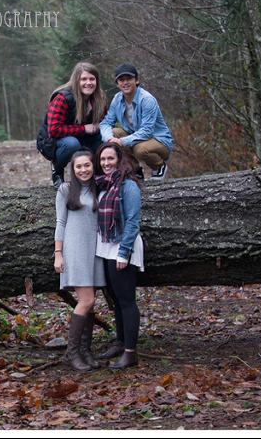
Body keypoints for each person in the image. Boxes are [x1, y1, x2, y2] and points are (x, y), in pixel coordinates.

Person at [93, 142, 144, 369]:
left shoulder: (128, 185)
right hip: (107, 246)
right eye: (102, 159)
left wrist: (124, 253)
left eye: (110, 159)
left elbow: (133, 221)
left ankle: (131, 353)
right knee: (115, 299)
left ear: (119, 159)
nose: (106, 163)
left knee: (126, 300)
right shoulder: (104, 184)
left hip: (123, 245)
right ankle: (121, 343)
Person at [53, 150, 105, 371]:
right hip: (75, 250)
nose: (83, 170)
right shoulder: (66, 189)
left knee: (91, 301)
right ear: (72, 170)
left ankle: (85, 351)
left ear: (94, 166)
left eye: (87, 165)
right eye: (78, 167)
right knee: (86, 300)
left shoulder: (99, 188)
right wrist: (58, 253)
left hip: (95, 251)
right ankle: (71, 353)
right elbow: (60, 222)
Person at [100, 63, 173, 180]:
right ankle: (135, 170)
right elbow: (106, 122)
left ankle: (159, 166)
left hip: (159, 141)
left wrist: (121, 142)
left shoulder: (147, 100)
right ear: (117, 84)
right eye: (121, 80)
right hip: (136, 139)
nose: (125, 82)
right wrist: (109, 140)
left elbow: (147, 131)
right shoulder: (117, 99)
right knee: (114, 132)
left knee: (140, 150)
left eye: (129, 78)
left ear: (137, 80)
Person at [44, 62, 109, 190]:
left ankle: (99, 176)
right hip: (58, 140)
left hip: (87, 137)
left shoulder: (100, 97)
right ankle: (57, 169)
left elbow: (106, 120)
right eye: (83, 79)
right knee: (72, 145)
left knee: (105, 143)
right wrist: (84, 129)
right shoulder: (62, 98)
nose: (88, 83)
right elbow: (53, 130)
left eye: (92, 79)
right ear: (76, 80)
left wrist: (100, 125)